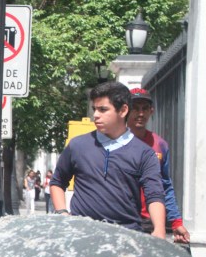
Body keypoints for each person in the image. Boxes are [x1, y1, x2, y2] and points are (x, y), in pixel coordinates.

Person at [50, 81, 166, 238]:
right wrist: (62, 213)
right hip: (81, 235)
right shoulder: (77, 145)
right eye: (95, 109)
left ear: (123, 110)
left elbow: (154, 195)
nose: (96, 115)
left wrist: (159, 230)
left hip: (126, 237)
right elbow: (57, 182)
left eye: (103, 109)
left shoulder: (144, 153)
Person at [127, 88, 190, 244]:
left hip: (149, 221)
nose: (140, 113)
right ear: (125, 110)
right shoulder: (115, 143)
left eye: (145, 108)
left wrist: (176, 222)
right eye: (135, 108)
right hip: (123, 217)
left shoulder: (160, 144)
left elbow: (165, 185)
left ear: (151, 111)